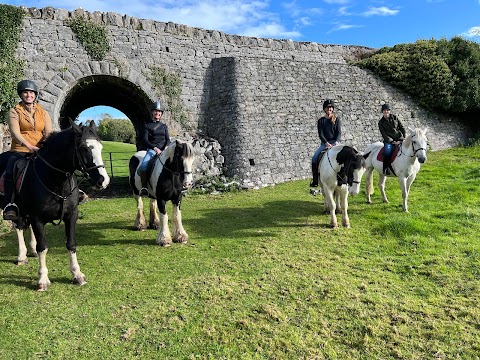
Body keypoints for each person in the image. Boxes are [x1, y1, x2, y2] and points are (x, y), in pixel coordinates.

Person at [3, 80, 53, 221]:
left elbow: (48, 132)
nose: (28, 95)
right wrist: (29, 146)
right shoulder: (14, 111)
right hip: (20, 149)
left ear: (35, 94)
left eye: (31, 92)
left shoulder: (43, 112)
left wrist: (45, 144)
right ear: (21, 94)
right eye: (25, 92)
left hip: (40, 149)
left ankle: (70, 194)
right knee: (10, 169)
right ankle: (10, 204)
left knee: (58, 163)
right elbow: (15, 133)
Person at [137, 101, 171, 196]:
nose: (157, 113)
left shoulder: (164, 126)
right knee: (143, 167)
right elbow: (145, 140)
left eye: (159, 112)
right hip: (152, 150)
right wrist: (155, 148)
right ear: (152, 112)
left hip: (164, 150)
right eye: (156, 111)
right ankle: (144, 187)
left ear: (161, 114)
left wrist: (166, 148)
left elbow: (168, 139)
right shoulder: (147, 125)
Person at [310, 99, 342, 187]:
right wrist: (326, 143)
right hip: (325, 144)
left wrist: (336, 142)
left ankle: (344, 179)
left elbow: (338, 133)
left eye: (331, 107)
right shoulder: (321, 121)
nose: (329, 109)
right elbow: (321, 134)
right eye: (328, 108)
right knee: (314, 159)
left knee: (344, 158)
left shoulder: (337, 120)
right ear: (325, 109)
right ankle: (315, 180)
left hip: (335, 143)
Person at [378, 103, 406, 175]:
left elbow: (402, 127)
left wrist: (404, 137)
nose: (386, 112)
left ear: (389, 111)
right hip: (389, 141)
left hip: (399, 138)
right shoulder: (381, 122)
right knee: (387, 153)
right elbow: (384, 134)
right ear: (382, 112)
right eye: (384, 110)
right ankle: (385, 168)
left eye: (387, 110)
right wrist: (392, 141)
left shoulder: (395, 117)